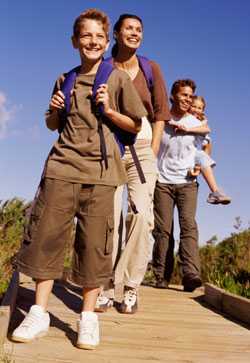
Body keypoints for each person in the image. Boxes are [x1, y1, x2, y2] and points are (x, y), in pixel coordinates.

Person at [11, 9, 147, 349]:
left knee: (95, 246)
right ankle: (39, 312)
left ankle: (88, 318)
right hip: (61, 168)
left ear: (107, 41)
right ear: (75, 41)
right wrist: (55, 109)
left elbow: (136, 125)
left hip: (101, 174)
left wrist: (110, 110)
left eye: (99, 37)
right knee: (46, 238)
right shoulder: (65, 78)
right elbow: (52, 125)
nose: (93, 41)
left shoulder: (116, 79)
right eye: (86, 36)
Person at [95, 14, 171, 314]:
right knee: (107, 218)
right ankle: (101, 286)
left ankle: (129, 287)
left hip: (141, 146)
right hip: (109, 147)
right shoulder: (104, 66)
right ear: (116, 33)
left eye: (139, 29)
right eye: (129, 28)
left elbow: (161, 114)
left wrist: (152, 150)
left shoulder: (151, 68)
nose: (135, 33)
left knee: (142, 215)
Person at [152, 79, 204, 292]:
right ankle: (161, 275)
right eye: (184, 95)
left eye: (191, 96)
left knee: (188, 226)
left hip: (187, 183)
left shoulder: (195, 122)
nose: (188, 99)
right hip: (162, 181)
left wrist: (198, 167)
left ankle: (191, 274)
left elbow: (206, 146)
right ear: (173, 96)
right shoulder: (162, 119)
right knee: (163, 230)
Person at [188, 96, 231, 204]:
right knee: (201, 155)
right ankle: (215, 191)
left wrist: (198, 167)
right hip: (185, 153)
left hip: (193, 154)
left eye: (199, 108)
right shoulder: (186, 119)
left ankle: (214, 191)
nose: (196, 110)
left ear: (202, 111)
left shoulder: (202, 124)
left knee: (203, 153)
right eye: (193, 106)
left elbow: (206, 146)